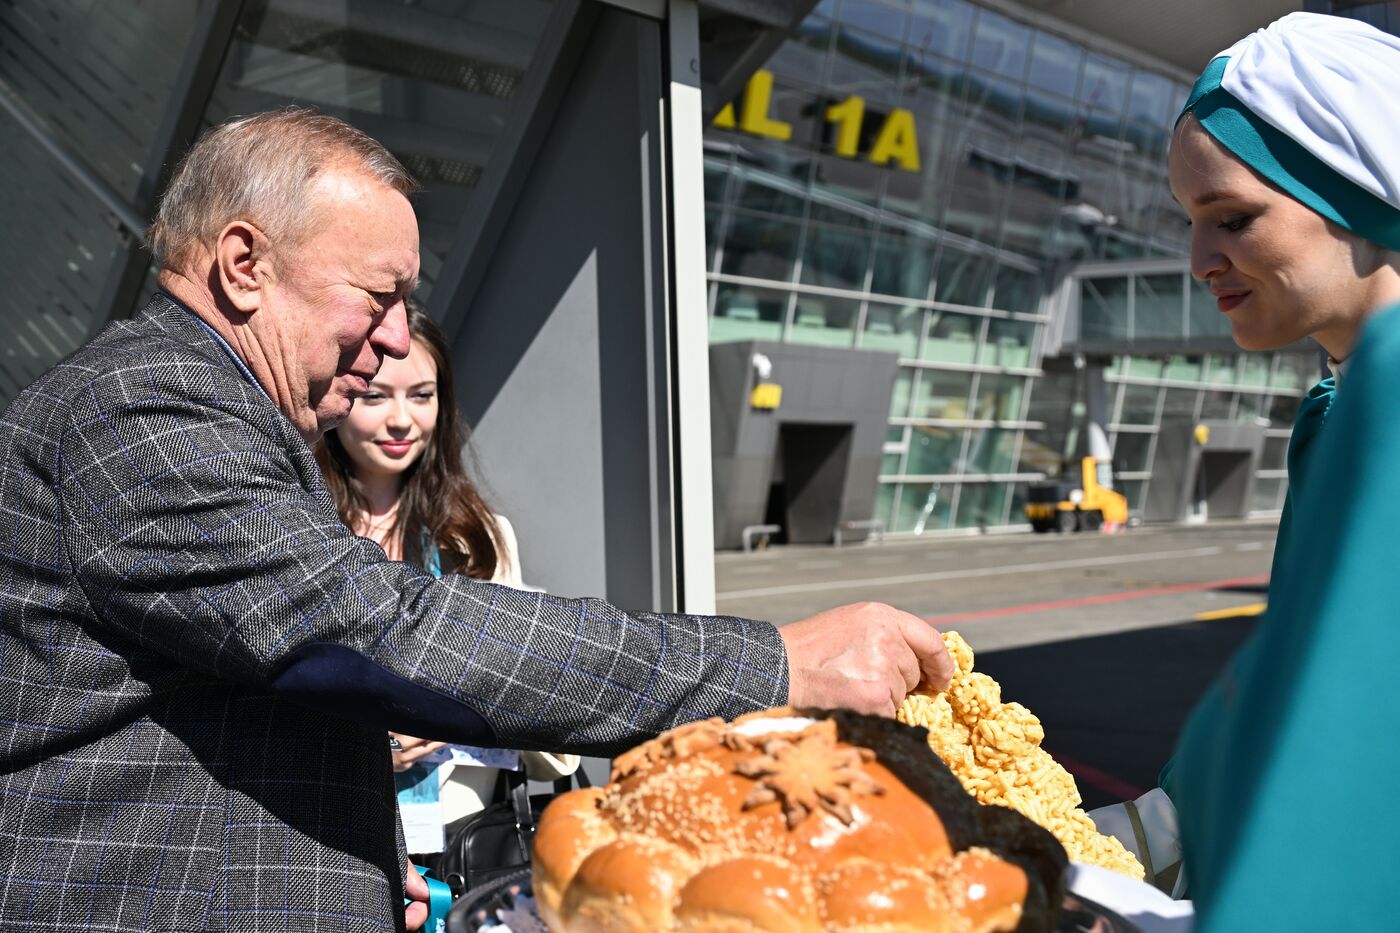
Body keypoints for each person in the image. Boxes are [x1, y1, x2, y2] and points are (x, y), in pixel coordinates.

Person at [0, 108, 953, 932]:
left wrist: (355, 850)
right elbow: (372, 630)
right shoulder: (138, 410)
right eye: (380, 297)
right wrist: (774, 665)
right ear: (245, 264)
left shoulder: (203, 406)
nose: (398, 340)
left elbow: (220, 711)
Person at [1094, 13, 1400, 929]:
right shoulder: (1342, 406)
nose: (1197, 262)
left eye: (1233, 218)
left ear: (1363, 199)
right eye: (1191, 223)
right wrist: (1160, 826)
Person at [314, 302, 579, 867]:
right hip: (330, 830)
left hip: (463, 834)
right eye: (374, 395)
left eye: (422, 395)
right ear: (338, 394)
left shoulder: (476, 534)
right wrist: (365, 742)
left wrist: (455, 701)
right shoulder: (295, 528)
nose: (402, 420)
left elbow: (525, 680)